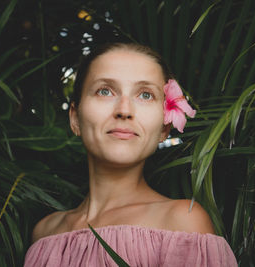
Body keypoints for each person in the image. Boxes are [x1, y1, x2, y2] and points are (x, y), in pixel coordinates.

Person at [24, 43, 237, 266]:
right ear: (75, 118)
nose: (124, 110)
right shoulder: (45, 234)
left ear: (164, 128)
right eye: (105, 91)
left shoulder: (182, 222)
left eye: (145, 95)